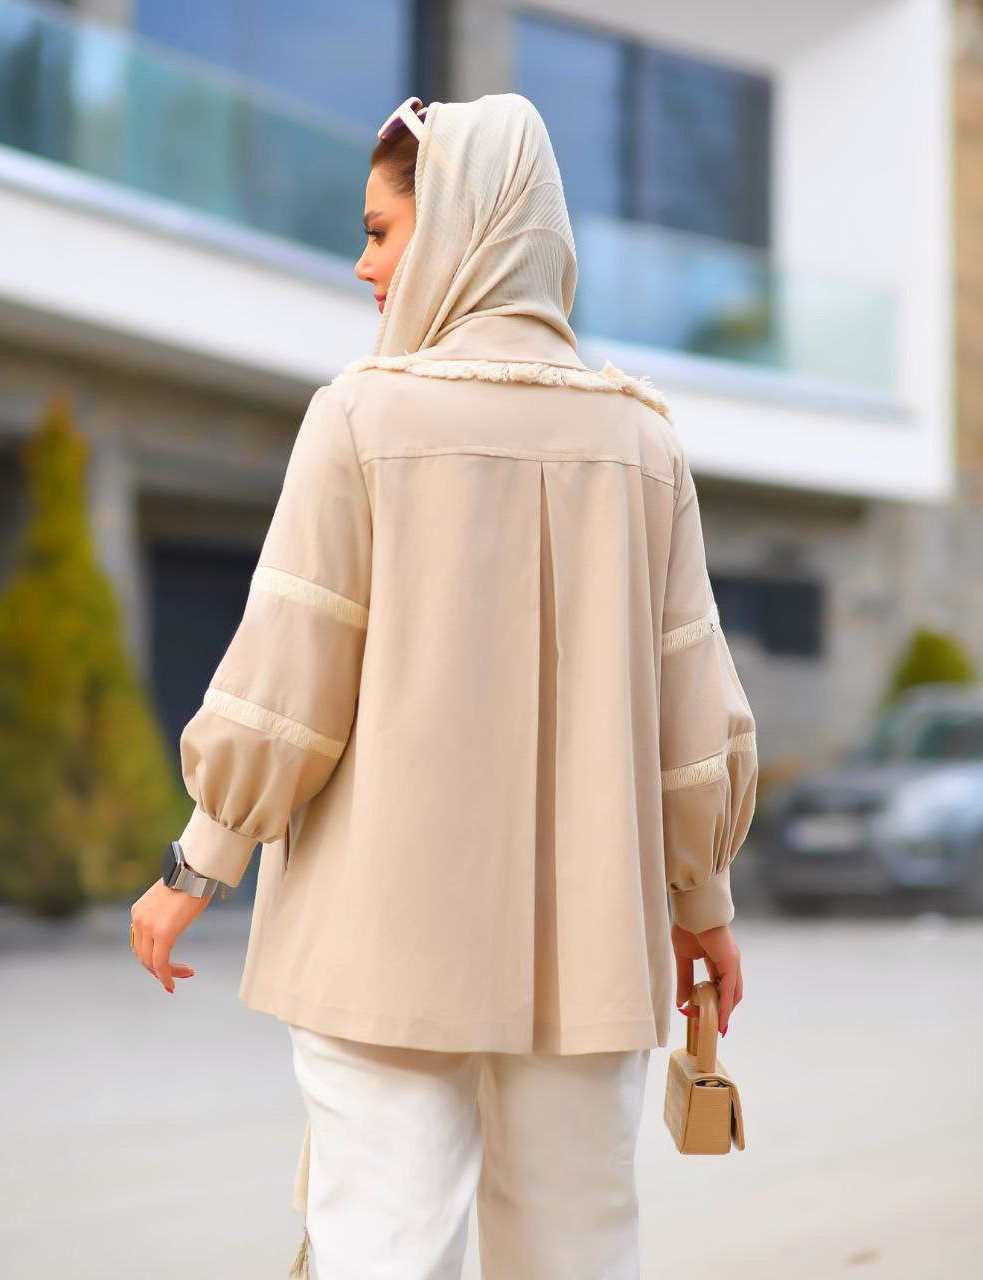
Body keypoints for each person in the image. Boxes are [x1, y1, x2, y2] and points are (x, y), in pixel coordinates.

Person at [129, 92, 758, 1279]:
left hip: (382, 948)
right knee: (579, 1252)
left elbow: (287, 680)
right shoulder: (645, 446)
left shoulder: (359, 417)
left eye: (380, 230)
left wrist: (195, 863)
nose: (363, 265)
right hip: (591, 951)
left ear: (463, 221)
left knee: (383, 1247)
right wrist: (703, 899)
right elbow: (692, 725)